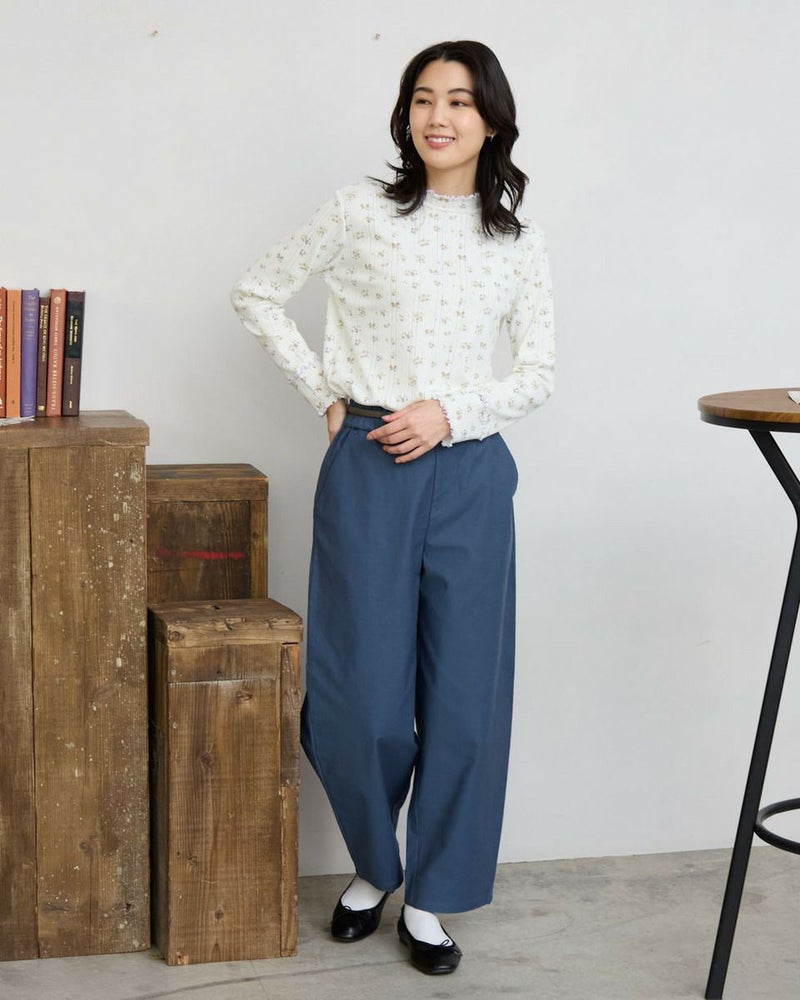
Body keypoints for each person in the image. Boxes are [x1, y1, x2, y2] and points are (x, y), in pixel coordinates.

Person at [231, 39, 554, 975]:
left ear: (491, 120)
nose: (438, 116)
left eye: (459, 100)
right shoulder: (359, 211)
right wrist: (326, 395)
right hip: (370, 466)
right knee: (357, 700)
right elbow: (257, 291)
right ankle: (376, 864)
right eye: (422, 98)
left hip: (472, 474)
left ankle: (436, 896)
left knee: (464, 700)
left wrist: (450, 413)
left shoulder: (517, 242)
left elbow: (537, 373)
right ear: (406, 114)